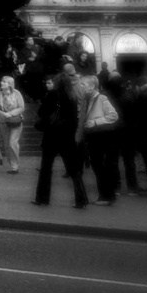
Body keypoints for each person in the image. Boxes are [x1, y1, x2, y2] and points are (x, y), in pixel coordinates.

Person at [33, 63, 89, 208]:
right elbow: (74, 119)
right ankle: (81, 199)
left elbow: (41, 112)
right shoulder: (72, 97)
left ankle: (42, 198)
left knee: (46, 168)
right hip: (67, 137)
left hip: (51, 136)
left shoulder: (52, 94)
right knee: (74, 170)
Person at [75, 66, 121, 205]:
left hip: (100, 136)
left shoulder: (101, 98)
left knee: (99, 166)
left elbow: (113, 115)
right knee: (97, 166)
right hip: (93, 136)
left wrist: (94, 122)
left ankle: (107, 196)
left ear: (92, 86)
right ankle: (105, 195)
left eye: (83, 84)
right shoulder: (86, 99)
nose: (80, 86)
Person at [0, 75, 26, 174]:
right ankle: (12, 166)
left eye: (4, 81)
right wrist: (4, 114)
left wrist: (10, 114)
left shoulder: (16, 93)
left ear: (9, 84)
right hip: (4, 122)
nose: (1, 83)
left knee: (12, 143)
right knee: (6, 144)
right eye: (2, 81)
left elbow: (21, 107)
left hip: (15, 121)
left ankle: (15, 165)